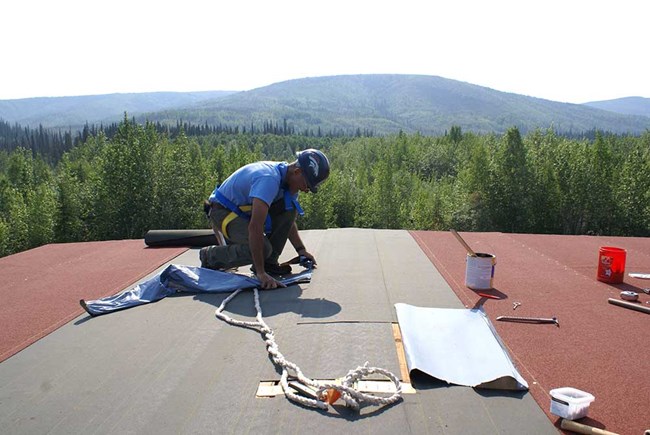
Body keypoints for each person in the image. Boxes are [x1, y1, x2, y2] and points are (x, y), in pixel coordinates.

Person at [200, 149, 330, 289]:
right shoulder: (269, 179)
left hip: (243, 212)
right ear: (297, 172)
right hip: (222, 212)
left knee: (289, 208)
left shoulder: (288, 181)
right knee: (263, 248)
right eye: (307, 185)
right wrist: (260, 274)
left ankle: (269, 263)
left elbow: (288, 222)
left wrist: (301, 250)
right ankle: (210, 256)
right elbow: (255, 227)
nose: (306, 190)